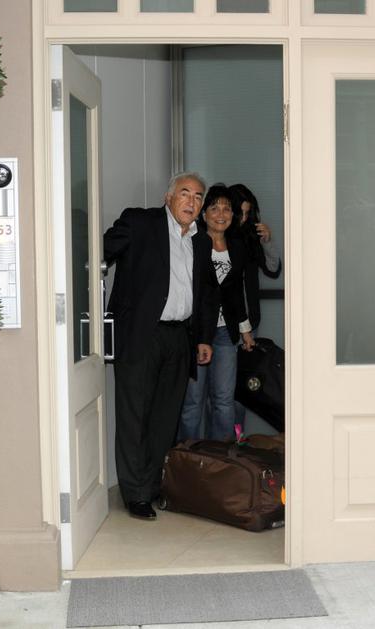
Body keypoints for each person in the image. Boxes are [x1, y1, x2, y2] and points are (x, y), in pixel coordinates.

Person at [104, 172, 219, 520]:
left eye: (198, 197)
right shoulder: (140, 223)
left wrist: (203, 337)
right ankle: (135, 493)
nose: (191, 202)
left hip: (179, 337)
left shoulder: (201, 240)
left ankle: (153, 486)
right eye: (185, 193)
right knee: (134, 416)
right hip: (141, 334)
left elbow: (206, 292)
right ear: (168, 197)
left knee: (165, 418)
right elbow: (98, 252)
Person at [178, 184, 255, 443]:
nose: (221, 214)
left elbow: (236, 292)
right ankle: (189, 455)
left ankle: (219, 458)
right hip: (197, 331)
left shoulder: (237, 246)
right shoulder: (193, 243)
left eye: (226, 208)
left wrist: (245, 330)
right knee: (193, 401)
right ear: (204, 213)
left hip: (226, 332)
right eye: (214, 208)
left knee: (224, 400)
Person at [228, 183, 281, 330]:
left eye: (247, 213)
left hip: (250, 320)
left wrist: (267, 242)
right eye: (240, 213)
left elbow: (273, 270)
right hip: (223, 322)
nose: (243, 219)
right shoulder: (216, 237)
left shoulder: (251, 236)